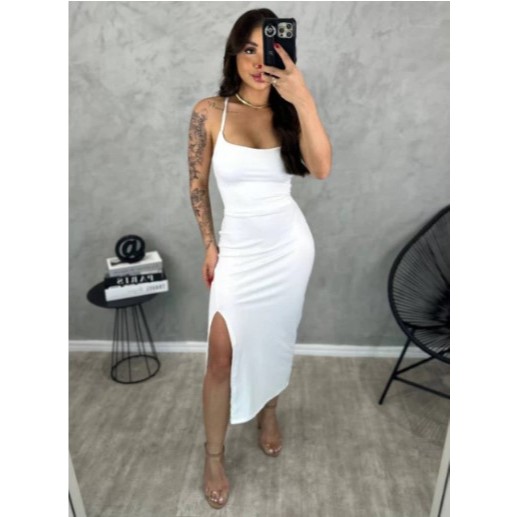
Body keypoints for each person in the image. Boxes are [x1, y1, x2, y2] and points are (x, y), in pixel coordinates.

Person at [188, 8, 332, 509]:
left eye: (266, 50)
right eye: (247, 49)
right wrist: (210, 243)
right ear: (234, 54)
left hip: (288, 249)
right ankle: (213, 456)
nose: (256, 61)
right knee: (220, 356)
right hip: (239, 248)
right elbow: (197, 184)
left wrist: (304, 97)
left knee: (274, 339)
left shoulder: (291, 112)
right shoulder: (210, 111)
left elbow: (322, 168)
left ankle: (269, 411)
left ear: (283, 54)